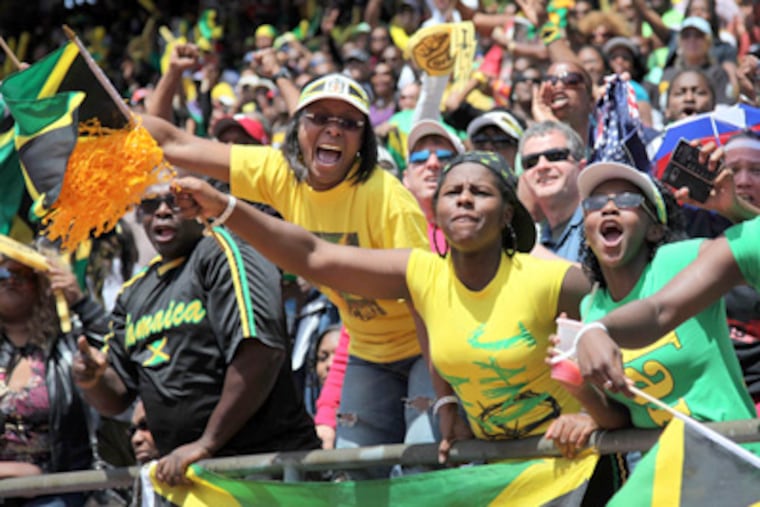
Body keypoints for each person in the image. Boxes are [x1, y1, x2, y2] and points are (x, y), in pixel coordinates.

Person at [170, 151, 628, 480]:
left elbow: (639, 362)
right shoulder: (421, 275)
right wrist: (225, 207)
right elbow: (313, 255)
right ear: (438, 211)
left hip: (577, 472)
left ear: (508, 213)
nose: (464, 200)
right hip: (499, 480)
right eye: (453, 192)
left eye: (479, 192)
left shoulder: (557, 281)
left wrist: (592, 417)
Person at [139, 73, 436, 479]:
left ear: (363, 139)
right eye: (319, 117)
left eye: (349, 123)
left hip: (426, 346)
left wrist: (447, 395)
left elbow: (427, 299)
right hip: (368, 351)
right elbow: (172, 142)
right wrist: (93, 108)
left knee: (428, 468)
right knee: (357, 481)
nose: (333, 128)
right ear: (298, 127)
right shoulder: (279, 172)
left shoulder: (387, 199)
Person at [72, 183, 320, 486]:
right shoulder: (134, 292)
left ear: (199, 205)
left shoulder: (228, 247)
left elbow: (261, 351)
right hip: (190, 477)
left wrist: (207, 443)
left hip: (265, 468)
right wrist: (92, 379)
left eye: (174, 200)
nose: (162, 210)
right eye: (150, 203)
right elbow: (117, 398)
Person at [566, 160, 758, 434]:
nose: (609, 208)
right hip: (661, 465)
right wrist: (581, 390)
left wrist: (735, 208)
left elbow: (750, 250)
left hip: (730, 452)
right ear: (586, 232)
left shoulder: (682, 260)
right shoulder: (591, 306)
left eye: (627, 200)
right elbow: (622, 416)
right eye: (595, 204)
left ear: (654, 229)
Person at [0, 249, 108, 506]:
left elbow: (115, 350)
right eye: (1, 273)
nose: (9, 280)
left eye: (21, 274)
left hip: (61, 489)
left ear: (41, 285)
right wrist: (13, 471)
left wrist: (80, 301)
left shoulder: (67, 344)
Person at [517, 121, 587, 262]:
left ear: (581, 167)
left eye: (555, 156)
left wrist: (531, 250)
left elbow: (598, 282)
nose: (542, 166)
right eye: (531, 162)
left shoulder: (597, 222)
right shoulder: (536, 236)